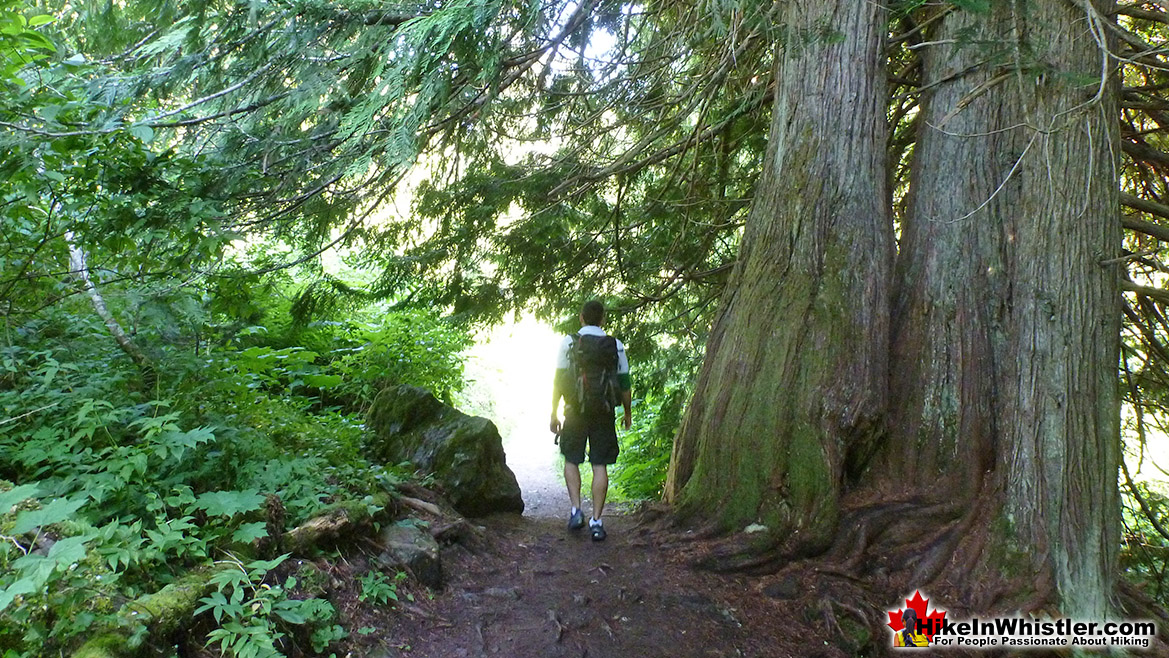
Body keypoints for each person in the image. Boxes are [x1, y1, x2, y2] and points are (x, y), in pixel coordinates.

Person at [550, 300, 632, 541]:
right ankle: (597, 520)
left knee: (571, 459)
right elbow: (624, 382)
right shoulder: (614, 345)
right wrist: (627, 412)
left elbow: (558, 381)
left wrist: (553, 412)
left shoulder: (569, 342)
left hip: (575, 410)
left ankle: (576, 511)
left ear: (581, 318)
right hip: (604, 411)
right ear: (603, 319)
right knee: (599, 465)